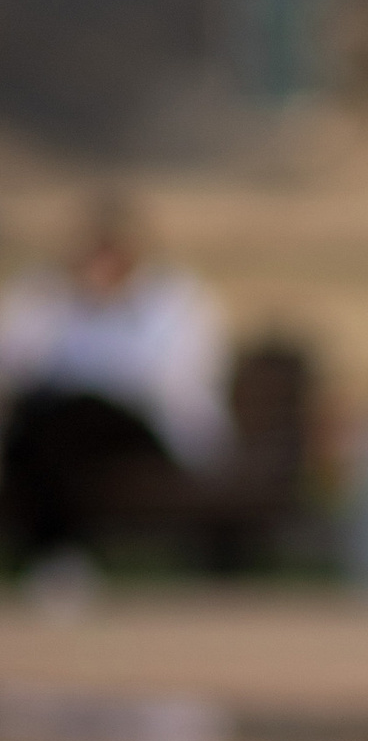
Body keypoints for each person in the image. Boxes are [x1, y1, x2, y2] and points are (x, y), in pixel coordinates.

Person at [0, 198, 229, 567]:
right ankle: (58, 553)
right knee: (49, 425)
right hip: (59, 427)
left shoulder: (173, 299)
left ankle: (58, 553)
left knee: (73, 419)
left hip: (149, 427)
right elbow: (18, 364)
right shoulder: (49, 297)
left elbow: (174, 381)